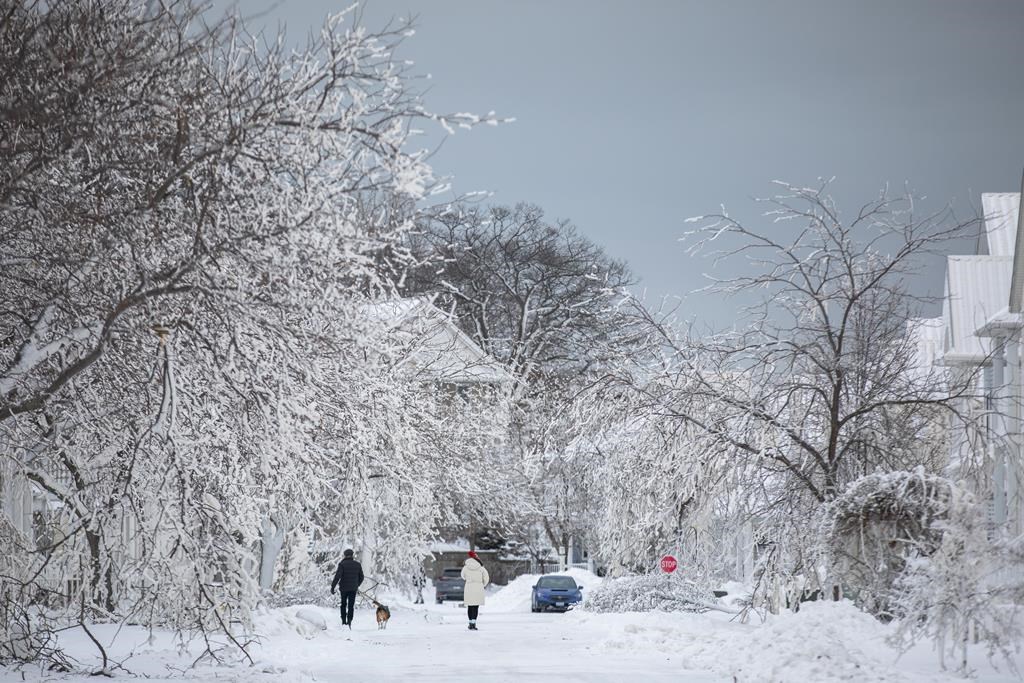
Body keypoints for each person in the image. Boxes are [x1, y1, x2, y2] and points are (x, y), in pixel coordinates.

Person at [330, 549, 364, 628]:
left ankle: (343, 621)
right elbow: (362, 577)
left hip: (344, 588)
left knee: (343, 604)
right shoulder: (357, 564)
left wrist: (333, 587)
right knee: (351, 605)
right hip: (353, 589)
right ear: (352, 555)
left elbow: (337, 577)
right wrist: (357, 584)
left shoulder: (342, 564)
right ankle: (349, 621)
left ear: (345, 555)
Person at [460, 550, 489, 631]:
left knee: (470, 606)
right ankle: (474, 623)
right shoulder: (481, 568)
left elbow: (462, 576)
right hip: (478, 587)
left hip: (469, 587)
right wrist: (482, 585)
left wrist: (468, 580)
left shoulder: (465, 567)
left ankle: (470, 623)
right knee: (476, 607)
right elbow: (486, 578)